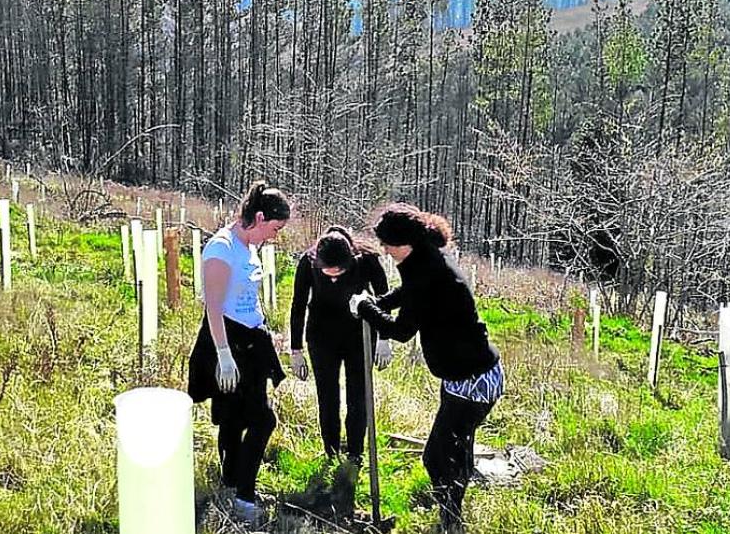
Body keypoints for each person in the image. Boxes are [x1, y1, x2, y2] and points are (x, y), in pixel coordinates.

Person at [349, 203, 503, 534]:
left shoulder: (426, 270)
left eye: (390, 245)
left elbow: (401, 331)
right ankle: (451, 520)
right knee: (456, 450)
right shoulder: (427, 258)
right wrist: (380, 301)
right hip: (468, 374)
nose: (387, 252)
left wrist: (365, 307)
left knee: (436, 457)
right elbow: (410, 294)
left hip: (473, 382)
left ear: (407, 242)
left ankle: (450, 522)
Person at [188, 181, 291, 525]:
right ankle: (244, 496)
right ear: (259, 217)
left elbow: (246, 295)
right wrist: (223, 354)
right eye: (274, 229)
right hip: (227, 342)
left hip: (252, 343)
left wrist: (264, 328)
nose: (275, 236)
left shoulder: (249, 245)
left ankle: (232, 481)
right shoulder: (221, 249)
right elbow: (214, 308)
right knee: (255, 420)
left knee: (245, 417)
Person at [289, 226, 392, 465]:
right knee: (327, 396)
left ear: (350, 261)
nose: (333, 279)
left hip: (359, 334)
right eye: (328, 274)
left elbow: (384, 296)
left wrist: (385, 338)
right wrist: (296, 350)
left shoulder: (366, 261)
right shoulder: (308, 262)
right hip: (321, 335)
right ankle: (331, 451)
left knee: (358, 395)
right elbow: (298, 305)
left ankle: (355, 453)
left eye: (339, 273)